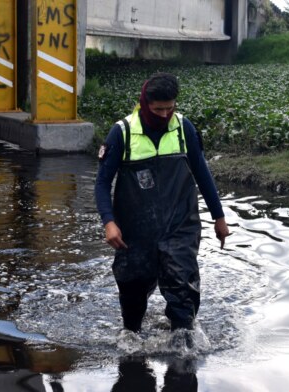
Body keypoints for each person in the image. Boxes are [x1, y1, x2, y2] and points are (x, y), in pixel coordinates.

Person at [95, 72, 230, 339]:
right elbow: (101, 184)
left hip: (180, 226)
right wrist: (109, 223)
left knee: (183, 294)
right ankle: (133, 352)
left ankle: (182, 356)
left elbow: (202, 174)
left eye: (170, 108)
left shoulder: (183, 129)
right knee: (132, 302)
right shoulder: (121, 132)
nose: (165, 115)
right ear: (145, 104)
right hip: (136, 231)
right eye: (158, 110)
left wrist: (219, 217)